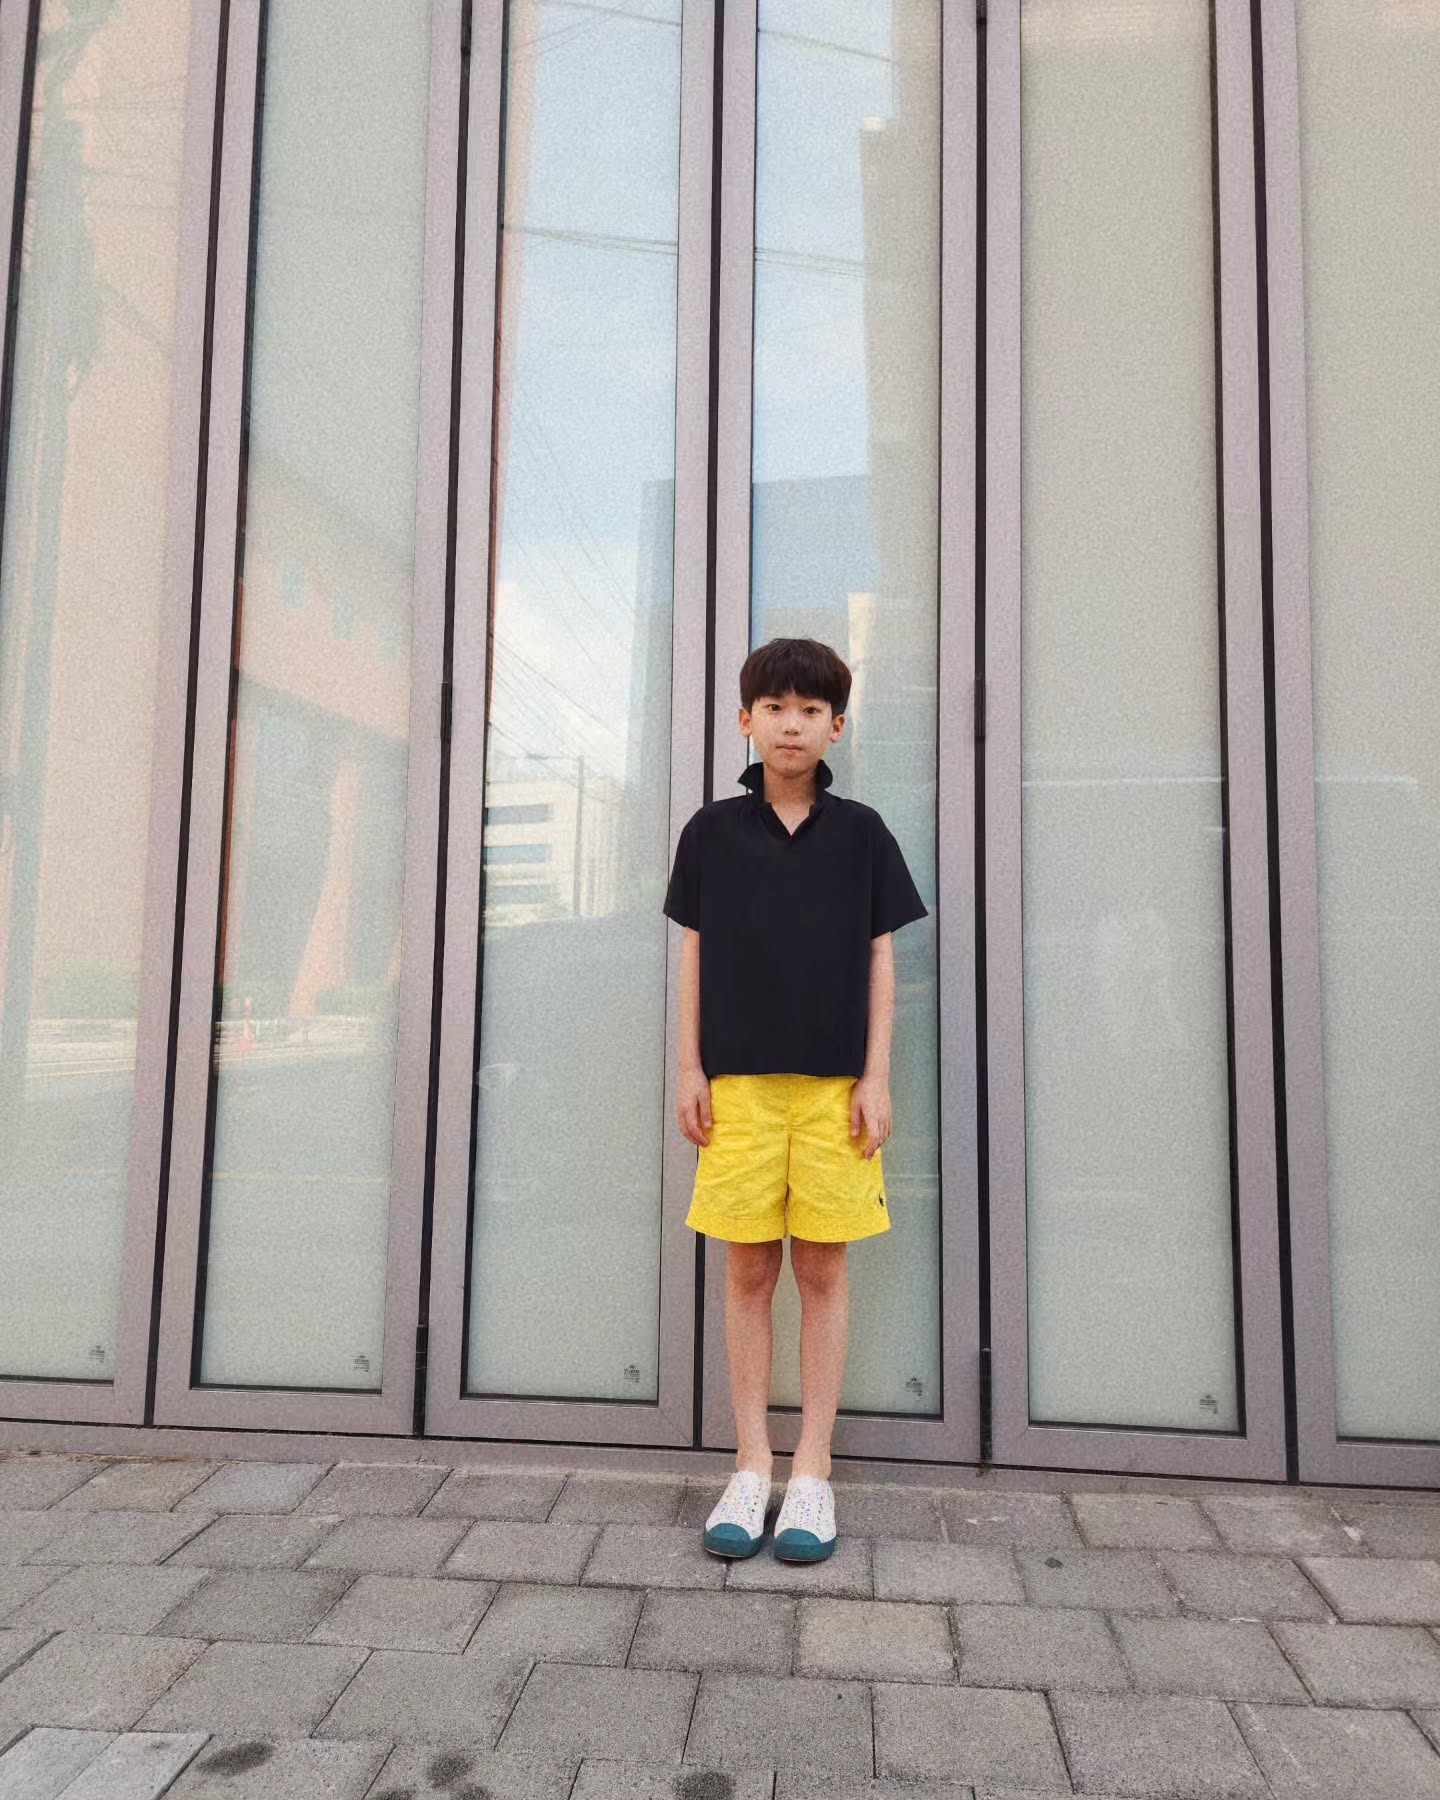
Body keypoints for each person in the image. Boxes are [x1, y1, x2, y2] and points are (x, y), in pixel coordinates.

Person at [661, 637, 928, 1563]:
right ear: (746, 719)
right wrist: (690, 1068)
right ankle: (751, 1463)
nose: (791, 724)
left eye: (811, 710)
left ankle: (812, 1470)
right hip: (737, 1090)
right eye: (774, 707)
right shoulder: (710, 833)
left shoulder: (863, 834)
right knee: (746, 1273)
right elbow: (694, 953)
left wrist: (877, 1077)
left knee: (822, 1272)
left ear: (836, 728)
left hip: (832, 1095)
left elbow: (882, 960)